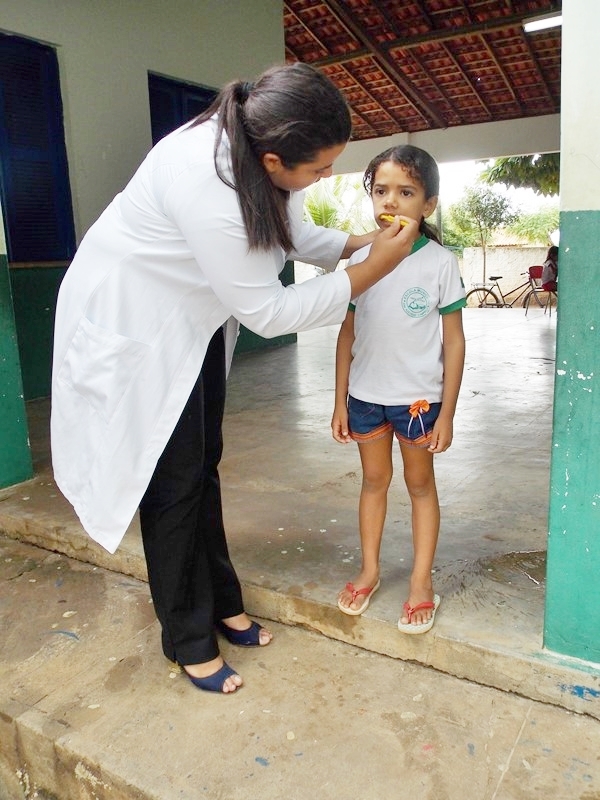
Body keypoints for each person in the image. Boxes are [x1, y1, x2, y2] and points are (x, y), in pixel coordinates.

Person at [51, 63, 419, 693]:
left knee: (202, 465)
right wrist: (370, 271)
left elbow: (293, 228)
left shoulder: (262, 144)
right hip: (137, 328)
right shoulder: (206, 179)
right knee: (171, 486)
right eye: (316, 169)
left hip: (190, 324)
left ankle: (221, 597)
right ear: (274, 159)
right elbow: (269, 311)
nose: (324, 176)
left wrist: (357, 242)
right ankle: (187, 635)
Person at [331, 145, 466, 634]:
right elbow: (348, 332)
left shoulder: (440, 263)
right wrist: (340, 399)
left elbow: (453, 341)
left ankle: (420, 581)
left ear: (427, 204)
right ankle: (369, 570)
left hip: (418, 402)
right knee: (373, 482)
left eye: (406, 192)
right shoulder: (361, 258)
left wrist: (447, 413)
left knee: (420, 485)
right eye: (381, 190)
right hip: (365, 399)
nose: (392, 201)